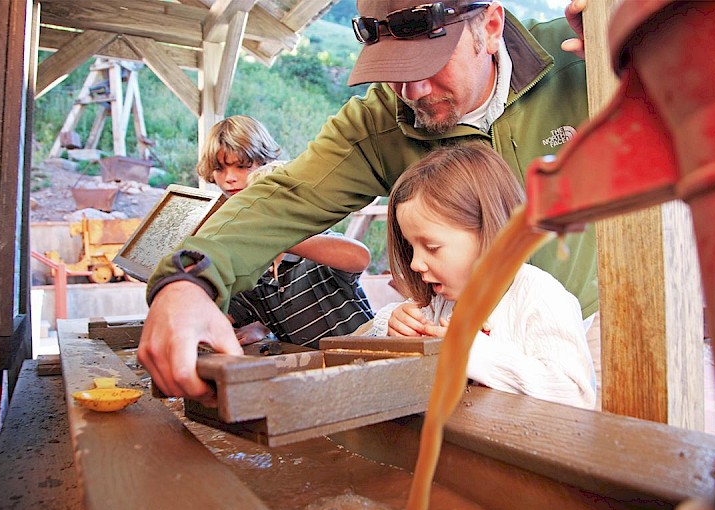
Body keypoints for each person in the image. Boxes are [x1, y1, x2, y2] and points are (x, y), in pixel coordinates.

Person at [138, 0, 596, 406]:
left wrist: (655, 37)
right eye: (394, 70)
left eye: (429, 63)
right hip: (467, 342)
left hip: (596, 332)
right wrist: (187, 278)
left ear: (491, 26)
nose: (411, 91)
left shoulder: (587, 55)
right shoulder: (378, 122)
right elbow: (284, 197)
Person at [366, 142, 595, 409]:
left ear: (491, 232)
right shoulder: (443, 301)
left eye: (431, 247)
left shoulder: (542, 299)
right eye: (410, 247)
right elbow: (373, 334)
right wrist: (394, 325)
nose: (415, 263)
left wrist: (472, 351)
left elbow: (576, 395)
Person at [197, 116, 374, 349]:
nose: (230, 178)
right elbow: (230, 312)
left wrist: (275, 238)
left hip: (364, 357)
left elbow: (358, 258)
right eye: (220, 169)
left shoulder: (310, 240)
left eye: (241, 166)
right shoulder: (250, 263)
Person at [226, 162, 375, 349]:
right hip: (317, 370)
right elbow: (226, 313)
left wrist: (281, 238)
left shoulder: (318, 251)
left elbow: (359, 257)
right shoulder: (258, 275)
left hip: (367, 356)